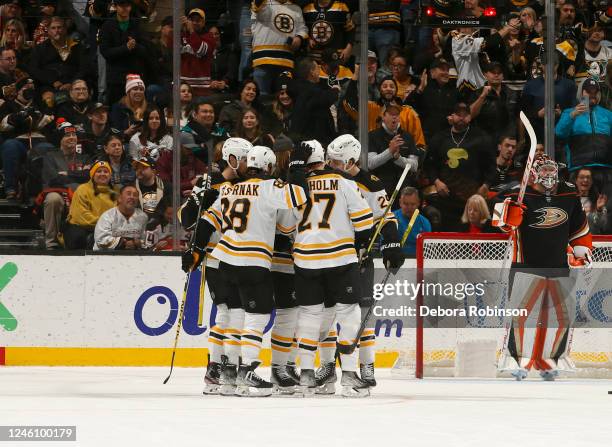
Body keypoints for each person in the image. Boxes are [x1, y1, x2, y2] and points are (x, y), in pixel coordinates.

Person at [182, 143, 310, 397]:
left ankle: (229, 375)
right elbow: (298, 197)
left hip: (225, 261)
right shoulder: (270, 187)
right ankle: (248, 371)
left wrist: (195, 249)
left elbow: (208, 221)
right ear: (269, 167)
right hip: (253, 261)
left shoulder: (230, 189)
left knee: (234, 317)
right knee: (257, 318)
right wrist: (296, 167)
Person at [313, 134, 403, 394]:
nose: (331, 165)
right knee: (327, 312)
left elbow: (385, 218)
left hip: (359, 256)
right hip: (330, 254)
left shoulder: (370, 183)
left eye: (337, 161)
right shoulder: (327, 180)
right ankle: (328, 366)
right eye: (329, 160)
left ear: (351, 160)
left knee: (362, 313)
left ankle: (367, 365)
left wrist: (392, 242)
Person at [493, 154, 593, 381]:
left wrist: (581, 247)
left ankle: (551, 360)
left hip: (558, 265)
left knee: (562, 316)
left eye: (552, 170)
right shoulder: (516, 193)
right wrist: (509, 216)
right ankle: (517, 359)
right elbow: (499, 223)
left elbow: (578, 225)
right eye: (545, 170)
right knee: (521, 316)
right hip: (525, 264)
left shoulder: (568, 193)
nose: (550, 174)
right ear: (533, 172)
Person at [288, 140, 375, 397]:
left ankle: (306, 376)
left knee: (309, 315)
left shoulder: (294, 186)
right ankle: (348, 375)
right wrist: (358, 242)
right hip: (339, 258)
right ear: (323, 158)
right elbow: (364, 221)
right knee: (348, 315)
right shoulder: (343, 182)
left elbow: (285, 225)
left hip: (305, 259)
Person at [178, 137, 252, 395]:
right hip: (217, 255)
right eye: (244, 158)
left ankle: (227, 364)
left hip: (243, 255)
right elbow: (185, 218)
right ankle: (218, 365)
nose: (248, 163)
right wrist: (201, 200)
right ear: (233, 159)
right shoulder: (210, 182)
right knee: (226, 310)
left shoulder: (250, 184)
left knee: (236, 312)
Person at [423, 102, 495, 231]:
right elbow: (429, 164)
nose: (462, 118)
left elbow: (491, 165)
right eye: (458, 114)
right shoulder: (439, 138)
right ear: (452, 116)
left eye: (465, 115)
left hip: (471, 199)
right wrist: (437, 181)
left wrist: (486, 185)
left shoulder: (482, 138)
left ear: (470, 117)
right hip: (445, 198)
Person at [555, 79, 612, 209]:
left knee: (606, 210)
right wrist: (572, 115)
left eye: (595, 92)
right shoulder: (569, 112)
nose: (592, 94)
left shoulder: (608, 115)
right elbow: (559, 133)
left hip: (606, 169)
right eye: (588, 91)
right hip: (579, 169)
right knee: (578, 209)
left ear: (599, 94)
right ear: (581, 93)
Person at [40, 121, 91, 249]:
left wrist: (67, 174)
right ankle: (51, 242)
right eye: (67, 135)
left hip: (80, 196)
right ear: (60, 139)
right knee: (53, 199)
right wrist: (77, 175)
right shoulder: (50, 157)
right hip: (59, 195)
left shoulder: (84, 158)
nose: (72, 138)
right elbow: (54, 180)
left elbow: (88, 177)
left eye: (74, 135)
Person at [99, 0, 153, 105]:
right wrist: (126, 48)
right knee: (115, 108)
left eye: (127, 5)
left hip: (135, 74)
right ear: (115, 6)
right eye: (121, 5)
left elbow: (146, 50)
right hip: (115, 77)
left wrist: (135, 46)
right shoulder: (107, 26)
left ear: (131, 7)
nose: (124, 8)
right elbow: (105, 52)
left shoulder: (136, 24)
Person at [251, 0, 308, 95]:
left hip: (286, 60)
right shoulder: (265, 3)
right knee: (261, 97)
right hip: (263, 59)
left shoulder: (296, 8)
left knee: (284, 97)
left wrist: (299, 37)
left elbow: (303, 28)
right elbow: (259, 9)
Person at [367, 101, 419, 200]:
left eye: (396, 115)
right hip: (380, 188)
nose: (394, 117)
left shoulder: (408, 137)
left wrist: (398, 158)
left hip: (403, 188)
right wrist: (390, 151)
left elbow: (414, 166)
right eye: (391, 114)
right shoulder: (372, 136)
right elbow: (370, 163)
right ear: (383, 116)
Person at [28, 16, 87, 97]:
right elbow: (34, 69)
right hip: (48, 86)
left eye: (59, 27)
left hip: (73, 84)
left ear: (65, 30)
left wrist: (72, 83)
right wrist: (52, 81)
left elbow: (83, 69)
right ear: (48, 31)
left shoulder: (76, 47)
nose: (57, 31)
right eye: (53, 28)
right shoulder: (40, 48)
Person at [64, 160, 117, 249]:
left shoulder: (116, 193)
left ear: (110, 175)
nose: (102, 174)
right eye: (99, 171)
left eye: (106, 171)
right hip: (82, 227)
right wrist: (103, 224)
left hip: (106, 229)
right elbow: (80, 216)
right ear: (92, 174)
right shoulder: (82, 190)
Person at [289, 57, 339, 147]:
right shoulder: (309, 90)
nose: (319, 70)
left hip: (306, 139)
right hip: (312, 141)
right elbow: (326, 98)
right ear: (311, 72)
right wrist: (335, 90)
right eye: (317, 68)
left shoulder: (301, 88)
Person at [94, 184, 148, 250]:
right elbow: (101, 240)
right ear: (119, 198)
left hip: (134, 255)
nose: (132, 197)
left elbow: (145, 240)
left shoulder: (143, 217)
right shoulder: (107, 216)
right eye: (128, 194)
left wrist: (138, 243)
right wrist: (124, 243)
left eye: (135, 195)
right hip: (105, 255)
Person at [180, 8, 216, 97]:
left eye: (198, 20)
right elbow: (171, 46)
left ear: (203, 23)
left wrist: (191, 31)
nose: (195, 23)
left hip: (201, 89)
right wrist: (178, 29)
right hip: (184, 87)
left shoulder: (209, 37)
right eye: (192, 20)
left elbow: (201, 50)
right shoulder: (182, 35)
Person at [393, 187, 431, 257]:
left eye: (413, 204)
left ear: (418, 203)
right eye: (406, 204)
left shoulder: (425, 223)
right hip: (395, 261)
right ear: (400, 202)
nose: (409, 208)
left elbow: (427, 250)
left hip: (417, 262)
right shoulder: (391, 220)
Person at [110, 74, 148, 140]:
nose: (138, 92)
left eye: (141, 89)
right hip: (126, 143)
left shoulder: (148, 107)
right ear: (128, 92)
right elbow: (113, 130)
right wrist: (126, 132)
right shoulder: (118, 107)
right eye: (135, 89)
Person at [573, 167, 608, 235]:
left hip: (593, 241)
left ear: (591, 181)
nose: (585, 180)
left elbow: (602, 225)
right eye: (582, 177)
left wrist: (599, 210)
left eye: (588, 177)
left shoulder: (598, 201)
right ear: (576, 180)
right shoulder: (569, 200)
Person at [132, 155, 166, 219]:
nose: (139, 170)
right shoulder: (131, 189)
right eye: (137, 168)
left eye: (144, 167)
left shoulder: (166, 187)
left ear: (154, 171)